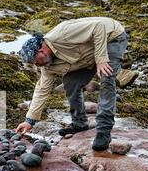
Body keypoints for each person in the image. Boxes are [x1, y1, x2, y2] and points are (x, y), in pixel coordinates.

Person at [16, 17, 128, 151]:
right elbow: (42, 90)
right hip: (87, 54)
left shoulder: (63, 34)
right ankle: (79, 124)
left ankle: (104, 131)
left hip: (112, 37)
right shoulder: (46, 66)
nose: (36, 65)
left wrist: (101, 59)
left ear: (42, 50)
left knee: (106, 79)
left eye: (35, 61)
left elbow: (98, 27)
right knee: (70, 82)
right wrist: (29, 121)